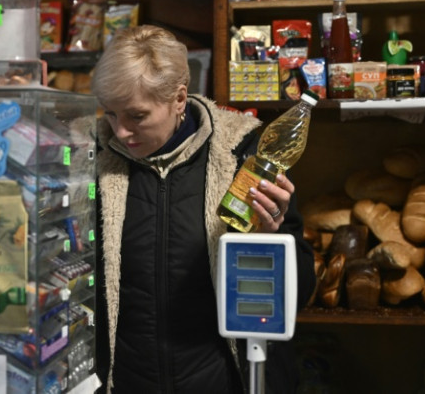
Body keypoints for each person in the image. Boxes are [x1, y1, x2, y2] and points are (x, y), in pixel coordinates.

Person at [91, 25, 316, 394]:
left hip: (224, 382)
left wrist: (269, 239)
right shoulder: (93, 157)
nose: (121, 132)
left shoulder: (245, 154)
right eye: (111, 114)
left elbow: (299, 292)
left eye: (136, 116)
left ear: (179, 98)